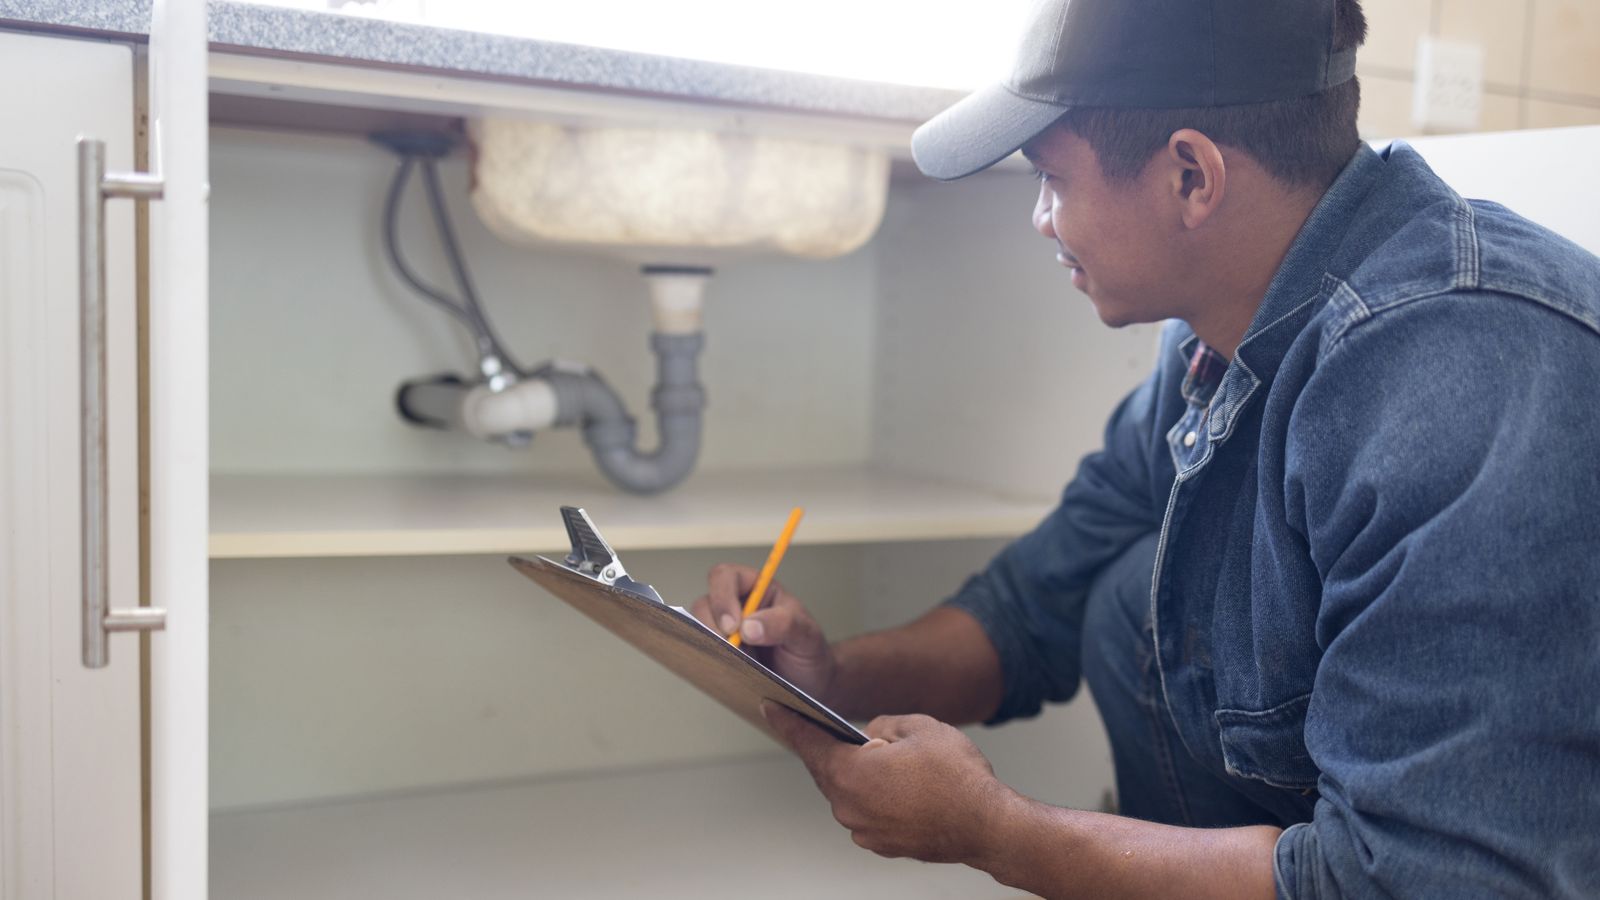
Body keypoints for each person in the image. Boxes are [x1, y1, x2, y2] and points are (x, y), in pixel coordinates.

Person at [692, 0, 1600, 896]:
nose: (1041, 218)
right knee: (1127, 582)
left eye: (1054, 179)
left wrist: (996, 832)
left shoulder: (1464, 380)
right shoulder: (1222, 335)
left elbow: (1425, 882)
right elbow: (1035, 606)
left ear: (1192, 178)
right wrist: (836, 677)